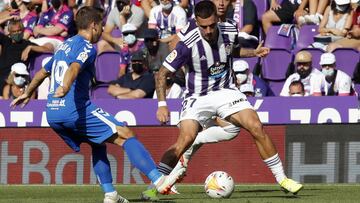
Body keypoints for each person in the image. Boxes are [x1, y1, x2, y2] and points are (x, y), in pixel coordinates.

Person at [10, 6, 183, 203]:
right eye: (101, 25)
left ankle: (110, 194)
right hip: (73, 108)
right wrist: (66, 87)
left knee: (97, 143)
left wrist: (28, 93)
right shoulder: (86, 47)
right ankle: (159, 180)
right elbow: (75, 68)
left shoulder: (65, 46)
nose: (102, 30)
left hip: (53, 113)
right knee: (126, 135)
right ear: (93, 25)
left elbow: (42, 72)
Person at [142, 0, 303, 200]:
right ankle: (153, 187)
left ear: (217, 20)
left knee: (255, 125)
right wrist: (162, 105)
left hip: (226, 91)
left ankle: (282, 179)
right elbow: (162, 73)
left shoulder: (229, 29)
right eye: (203, 27)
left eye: (211, 25)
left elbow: (232, 51)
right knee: (185, 140)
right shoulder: (187, 43)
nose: (208, 31)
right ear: (197, 22)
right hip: (197, 97)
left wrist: (253, 52)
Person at [0, 19, 51, 99]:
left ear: (23, 31)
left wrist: (30, 47)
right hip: (2, 77)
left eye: (19, 31)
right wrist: (8, 17)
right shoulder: (6, 41)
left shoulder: (26, 44)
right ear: (9, 32)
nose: (17, 33)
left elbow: (48, 49)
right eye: (14, 31)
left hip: (17, 79)